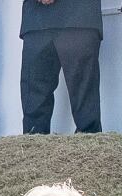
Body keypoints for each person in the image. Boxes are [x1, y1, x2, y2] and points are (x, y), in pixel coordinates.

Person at [18, 0, 102, 135]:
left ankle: (90, 152)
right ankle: (33, 152)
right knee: (33, 118)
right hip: (36, 20)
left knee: (86, 118)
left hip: (79, 16)